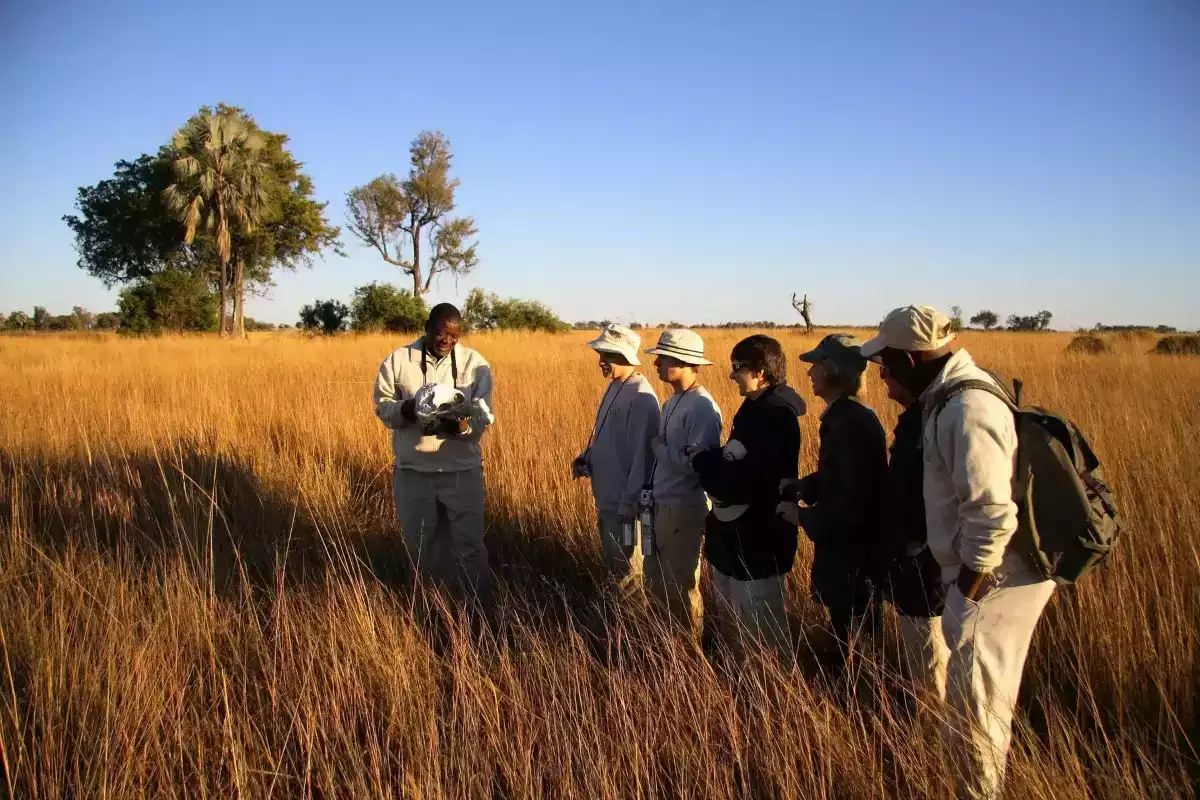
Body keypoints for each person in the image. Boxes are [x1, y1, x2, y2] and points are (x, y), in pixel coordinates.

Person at [860, 305, 1056, 800]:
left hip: (993, 583)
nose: (881, 374)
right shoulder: (951, 396)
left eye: (885, 362)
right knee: (970, 709)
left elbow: (992, 518)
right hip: (981, 578)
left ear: (909, 358)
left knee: (976, 718)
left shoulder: (966, 408)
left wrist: (965, 598)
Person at [373, 303, 496, 608]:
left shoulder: (474, 362)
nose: (447, 341)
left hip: (461, 471)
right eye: (441, 334)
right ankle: (435, 611)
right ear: (427, 327)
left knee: (469, 545)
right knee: (422, 547)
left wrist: (462, 426)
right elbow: (383, 408)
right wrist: (410, 408)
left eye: (454, 336)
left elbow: (483, 416)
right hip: (413, 472)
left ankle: (478, 612)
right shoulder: (398, 360)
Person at [778, 334, 888, 674]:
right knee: (849, 637)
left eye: (816, 365)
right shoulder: (847, 415)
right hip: (853, 555)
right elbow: (842, 477)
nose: (809, 372)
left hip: (853, 557)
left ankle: (858, 699)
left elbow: (852, 502)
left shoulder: (849, 421)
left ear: (834, 370)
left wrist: (803, 517)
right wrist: (805, 486)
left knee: (854, 646)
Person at [691, 335, 806, 658]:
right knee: (734, 629)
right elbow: (735, 462)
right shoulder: (754, 407)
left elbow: (741, 482)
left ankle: (770, 689)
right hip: (734, 542)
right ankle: (738, 684)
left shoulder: (776, 416)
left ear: (759, 371)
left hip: (759, 545)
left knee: (763, 641)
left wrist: (702, 461)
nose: (731, 375)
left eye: (737, 367)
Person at [875, 353, 949, 698]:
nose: (882, 378)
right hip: (915, 567)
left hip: (929, 572)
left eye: (886, 369)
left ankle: (936, 729)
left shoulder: (929, 422)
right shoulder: (917, 419)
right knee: (922, 662)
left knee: (932, 667)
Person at [643, 329, 723, 640]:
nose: (656, 364)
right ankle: (667, 651)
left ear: (682, 362)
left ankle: (689, 654)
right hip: (662, 503)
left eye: (662, 359)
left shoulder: (702, 407)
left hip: (684, 507)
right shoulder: (673, 401)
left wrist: (660, 448)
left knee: (681, 587)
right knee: (659, 585)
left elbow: (698, 465)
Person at [572, 324, 661, 587]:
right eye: (600, 353)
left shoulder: (641, 397)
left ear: (626, 356)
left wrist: (628, 505)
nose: (601, 361)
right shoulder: (615, 386)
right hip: (608, 501)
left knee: (629, 577)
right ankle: (616, 615)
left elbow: (644, 459)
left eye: (608, 354)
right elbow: (609, 438)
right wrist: (587, 458)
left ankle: (631, 617)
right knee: (615, 571)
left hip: (626, 509)